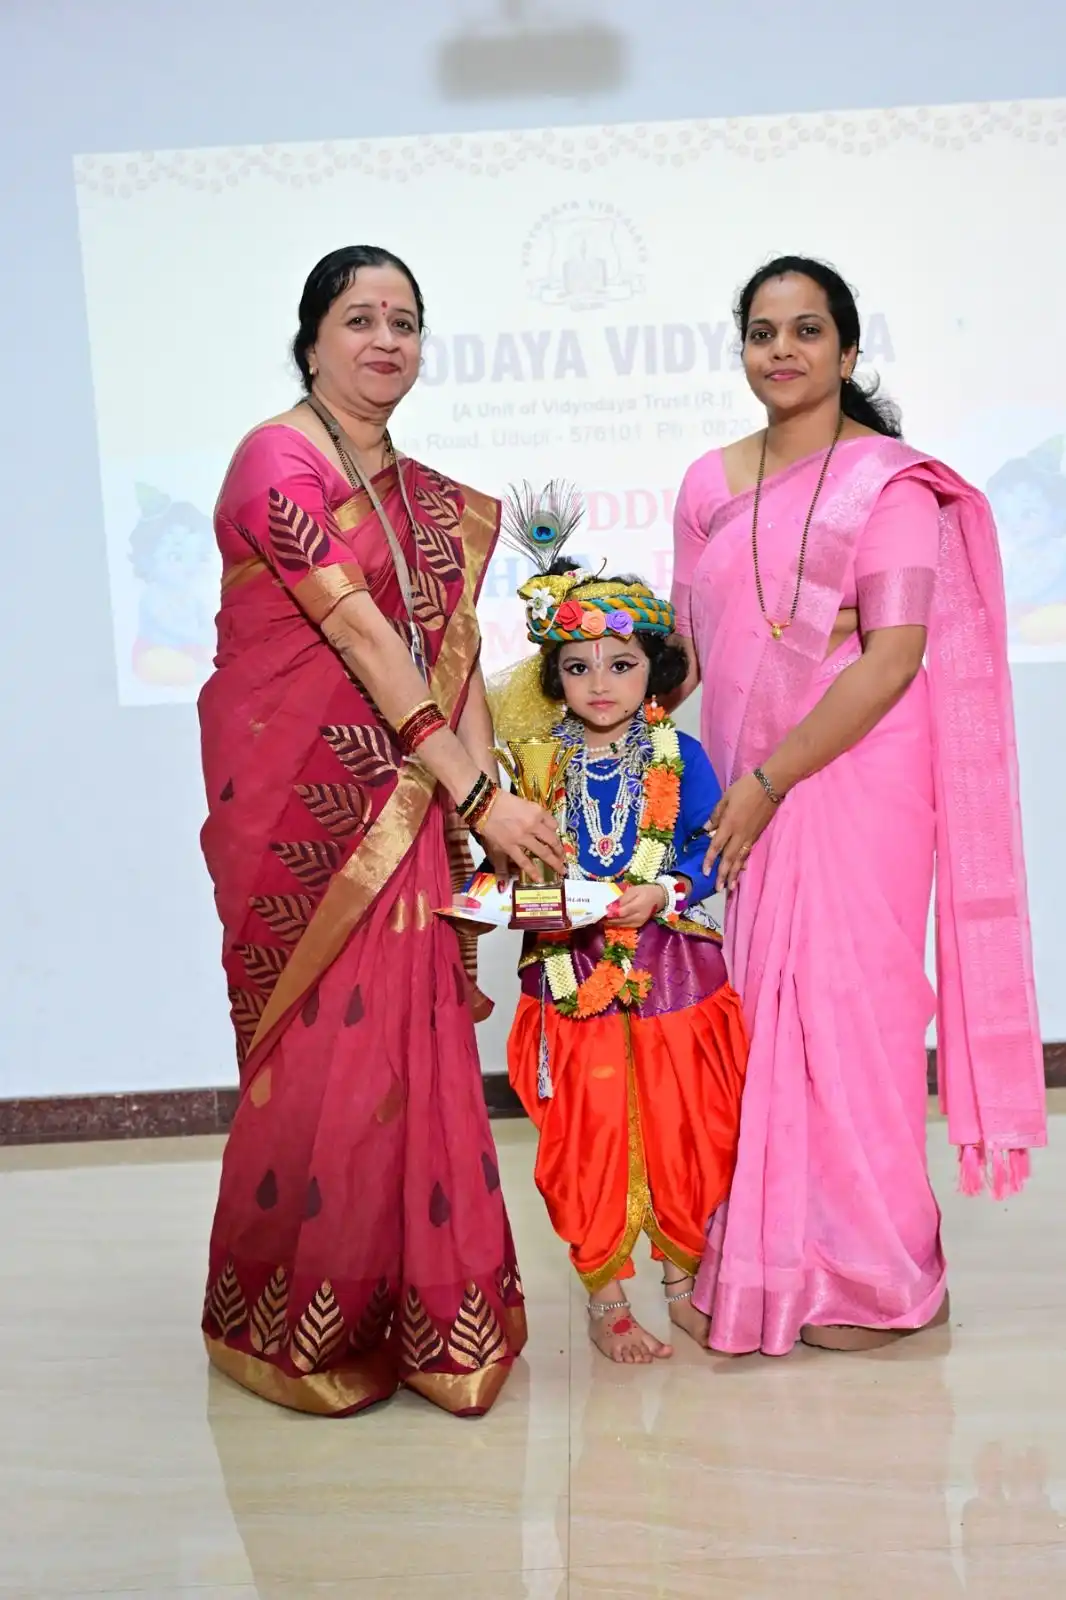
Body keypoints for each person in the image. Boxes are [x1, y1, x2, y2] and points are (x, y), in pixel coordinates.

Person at [198, 245, 565, 1417]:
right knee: (328, 1063)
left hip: (412, 807)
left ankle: (432, 1324)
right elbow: (359, 634)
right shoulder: (277, 459)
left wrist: (490, 808)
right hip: (306, 812)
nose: (385, 340)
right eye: (360, 318)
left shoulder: (424, 497)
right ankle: (304, 1329)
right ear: (311, 338)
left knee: (413, 1058)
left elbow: (449, 655)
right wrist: (474, 797)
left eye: (404, 321)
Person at [671, 254, 1045, 1356]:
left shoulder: (888, 486)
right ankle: (768, 1261)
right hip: (742, 785)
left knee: (852, 1015)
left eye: (806, 330)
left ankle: (876, 1273)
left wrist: (769, 780)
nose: (781, 350)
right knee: (758, 1019)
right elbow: (686, 654)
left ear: (846, 350)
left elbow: (889, 660)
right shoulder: (704, 484)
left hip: (853, 777)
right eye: (762, 332)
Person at [492, 545, 747, 1363]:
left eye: (621, 664)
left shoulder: (682, 754)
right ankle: (606, 1299)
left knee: (687, 1127)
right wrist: (534, 888)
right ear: (554, 677)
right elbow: (511, 868)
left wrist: (663, 892)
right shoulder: (537, 765)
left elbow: (709, 847)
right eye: (578, 666)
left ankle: (681, 1284)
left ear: (654, 670)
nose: (600, 683)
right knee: (584, 1136)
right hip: (569, 978)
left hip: (673, 975)